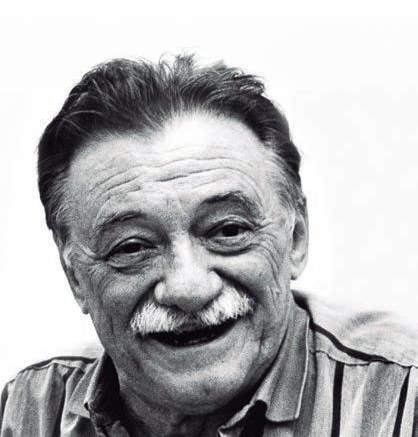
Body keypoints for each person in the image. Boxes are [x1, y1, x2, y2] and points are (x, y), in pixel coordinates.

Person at [0, 55, 416, 437]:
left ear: (296, 238)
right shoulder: (27, 412)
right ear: (75, 276)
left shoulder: (404, 401)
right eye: (131, 248)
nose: (189, 289)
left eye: (228, 231)